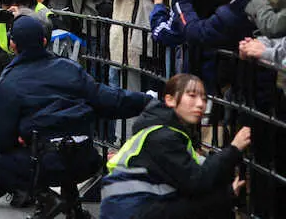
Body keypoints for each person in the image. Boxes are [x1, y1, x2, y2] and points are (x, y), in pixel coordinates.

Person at [0, 15, 150, 208]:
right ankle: (70, 201)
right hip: (86, 159)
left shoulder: (7, 83)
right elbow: (108, 99)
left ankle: (47, 198)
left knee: (0, 163)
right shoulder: (69, 69)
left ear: (13, 44)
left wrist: (19, 137)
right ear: (44, 41)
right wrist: (149, 101)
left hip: (43, 164)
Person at [101, 73, 250, 219]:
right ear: (170, 100)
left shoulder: (165, 130)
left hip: (129, 208)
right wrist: (234, 149)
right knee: (208, 201)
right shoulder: (162, 136)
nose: (200, 104)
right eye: (192, 96)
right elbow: (196, 181)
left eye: (204, 99)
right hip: (133, 210)